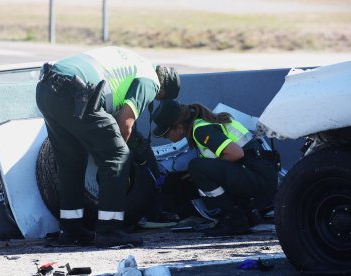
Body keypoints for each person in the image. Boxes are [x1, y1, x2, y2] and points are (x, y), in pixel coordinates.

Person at [36, 46, 180, 247]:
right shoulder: (151, 80)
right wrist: (115, 152)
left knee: (71, 162)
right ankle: (109, 230)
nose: (154, 97)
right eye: (158, 97)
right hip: (77, 94)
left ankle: (70, 230)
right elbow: (125, 123)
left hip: (46, 88)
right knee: (118, 156)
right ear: (162, 90)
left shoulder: (133, 60)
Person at [151, 100, 278, 236]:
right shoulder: (204, 123)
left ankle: (234, 219)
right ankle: (243, 213)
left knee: (197, 167)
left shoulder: (201, 129)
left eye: (166, 133)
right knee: (195, 171)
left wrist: (204, 169)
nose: (165, 137)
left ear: (179, 127)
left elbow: (236, 153)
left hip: (257, 177)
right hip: (258, 173)